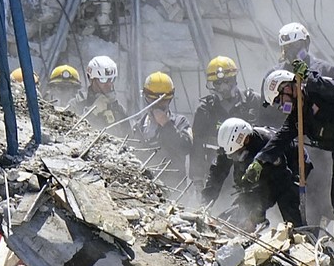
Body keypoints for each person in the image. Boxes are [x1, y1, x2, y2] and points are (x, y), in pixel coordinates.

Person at [251, 63, 334, 256]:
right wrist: (260, 160)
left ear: (287, 87)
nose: (282, 106)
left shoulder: (315, 88)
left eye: (280, 100)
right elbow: (280, 139)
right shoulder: (299, 114)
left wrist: (310, 77)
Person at [269, 22, 334, 227]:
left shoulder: (325, 70)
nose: (293, 52)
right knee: (293, 195)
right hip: (290, 146)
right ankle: (298, 237)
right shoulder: (275, 76)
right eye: (288, 48)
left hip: (321, 149)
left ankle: (321, 237)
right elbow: (267, 114)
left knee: (322, 197)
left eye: (297, 45)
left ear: (307, 43)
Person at [202, 117, 307, 231]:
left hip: (293, 166)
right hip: (267, 169)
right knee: (242, 202)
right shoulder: (232, 147)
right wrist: (206, 202)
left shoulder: (266, 144)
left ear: (246, 139)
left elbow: (279, 183)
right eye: (232, 156)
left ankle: (301, 236)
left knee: (288, 203)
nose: (236, 159)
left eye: (238, 154)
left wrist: (256, 212)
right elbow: (217, 172)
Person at [190, 56, 269, 186]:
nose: (223, 88)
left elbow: (267, 136)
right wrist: (197, 179)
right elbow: (197, 146)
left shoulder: (253, 101)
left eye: (226, 81)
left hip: (250, 172)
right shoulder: (205, 110)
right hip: (217, 175)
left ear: (234, 79)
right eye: (217, 84)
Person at [132, 72, 193, 191]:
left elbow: (186, 147)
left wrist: (166, 124)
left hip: (174, 188)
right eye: (153, 100)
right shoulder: (139, 126)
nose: (158, 105)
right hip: (145, 189)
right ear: (146, 98)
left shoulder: (180, 122)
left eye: (163, 101)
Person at [69, 55, 129, 135]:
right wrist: (91, 112)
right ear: (91, 79)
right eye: (103, 79)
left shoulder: (118, 109)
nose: (109, 84)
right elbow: (69, 131)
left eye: (111, 79)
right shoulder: (77, 103)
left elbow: (132, 139)